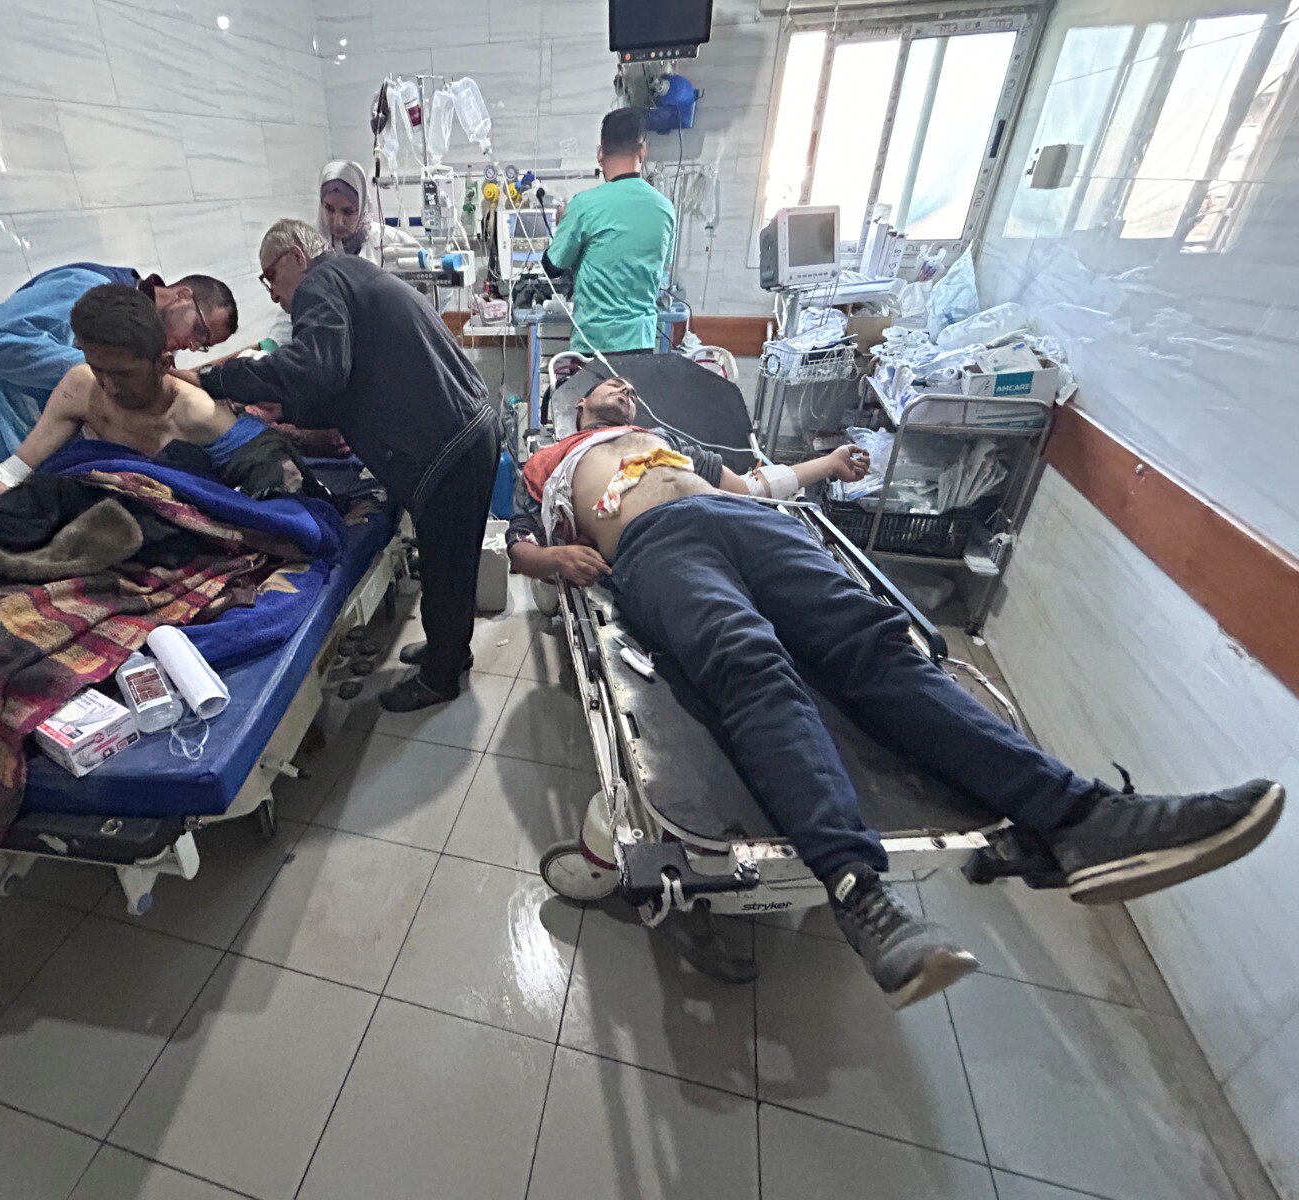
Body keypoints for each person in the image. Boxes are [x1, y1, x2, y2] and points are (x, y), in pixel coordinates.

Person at [508, 375, 1284, 1009]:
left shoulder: (673, 441)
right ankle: (859, 894)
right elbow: (514, 546)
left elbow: (762, 483)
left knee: (878, 644)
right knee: (749, 661)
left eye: (623, 384)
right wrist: (552, 562)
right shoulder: (552, 460)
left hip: (756, 527)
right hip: (654, 545)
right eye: (602, 384)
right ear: (577, 405)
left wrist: (827, 469)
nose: (621, 387)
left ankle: (1083, 819)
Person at [196, 219, 498, 713]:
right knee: (451, 562)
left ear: (296, 256)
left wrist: (223, 377)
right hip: (466, 434)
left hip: (447, 446)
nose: (272, 295)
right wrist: (285, 411)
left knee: (446, 566)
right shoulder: (351, 277)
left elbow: (320, 368)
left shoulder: (320, 282)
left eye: (270, 278)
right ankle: (450, 651)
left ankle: (440, 677)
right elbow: (341, 383)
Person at [0, 285, 245, 536]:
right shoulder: (81, 385)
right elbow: (9, 474)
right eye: (97, 368)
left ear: (164, 364)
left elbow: (254, 489)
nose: (110, 386)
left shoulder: (198, 412)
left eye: (124, 374)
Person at [0, 262, 237, 472]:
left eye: (203, 344)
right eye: (198, 330)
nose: (191, 344)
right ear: (183, 295)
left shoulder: (144, 332)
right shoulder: (87, 287)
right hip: (7, 420)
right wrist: (110, 368)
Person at [542, 109, 676, 356]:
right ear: (643, 150)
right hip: (641, 342)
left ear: (600, 154)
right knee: (630, 396)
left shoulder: (584, 205)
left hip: (593, 344)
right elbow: (661, 269)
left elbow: (552, 267)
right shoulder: (665, 209)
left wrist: (564, 224)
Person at [318, 159, 422, 267]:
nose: (338, 222)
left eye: (348, 212)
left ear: (363, 209)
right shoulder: (308, 249)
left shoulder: (395, 241)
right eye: (329, 209)